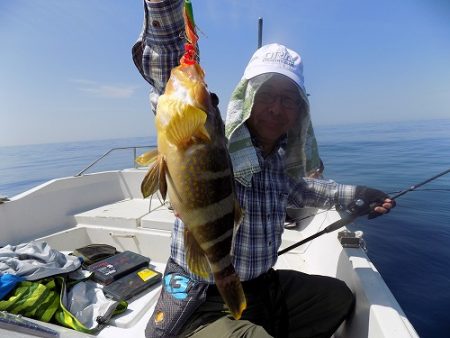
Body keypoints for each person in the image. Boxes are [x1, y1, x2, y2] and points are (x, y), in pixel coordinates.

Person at [132, 1, 395, 337]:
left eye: (288, 99)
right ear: (247, 98)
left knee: (338, 299)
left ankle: (257, 323)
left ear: (300, 109)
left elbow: (306, 189)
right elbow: (167, 68)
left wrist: (358, 196)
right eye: (267, 94)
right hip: (200, 298)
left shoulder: (281, 161)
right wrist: (164, 8)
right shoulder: (212, 138)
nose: (276, 108)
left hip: (261, 287)